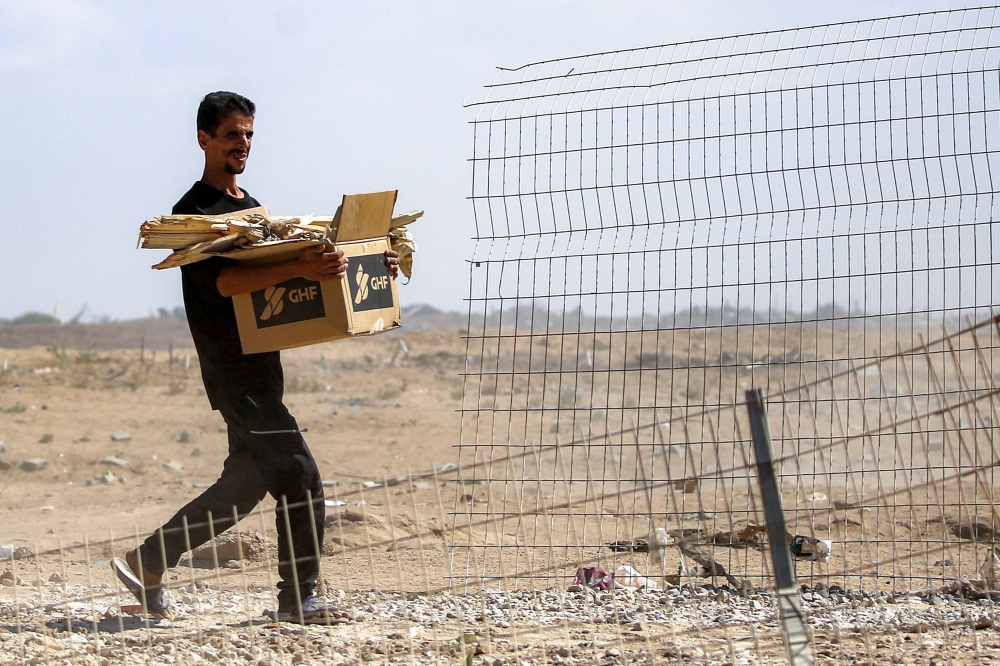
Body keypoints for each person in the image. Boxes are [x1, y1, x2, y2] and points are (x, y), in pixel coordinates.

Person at [112, 91, 399, 623]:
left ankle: (149, 560)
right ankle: (299, 597)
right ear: (204, 139)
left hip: (263, 369)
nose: (242, 144)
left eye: (248, 134)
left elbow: (293, 272)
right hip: (232, 373)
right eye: (231, 135)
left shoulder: (250, 208)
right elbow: (226, 281)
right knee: (298, 472)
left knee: (244, 485)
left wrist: (366, 264)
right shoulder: (194, 214)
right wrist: (301, 270)